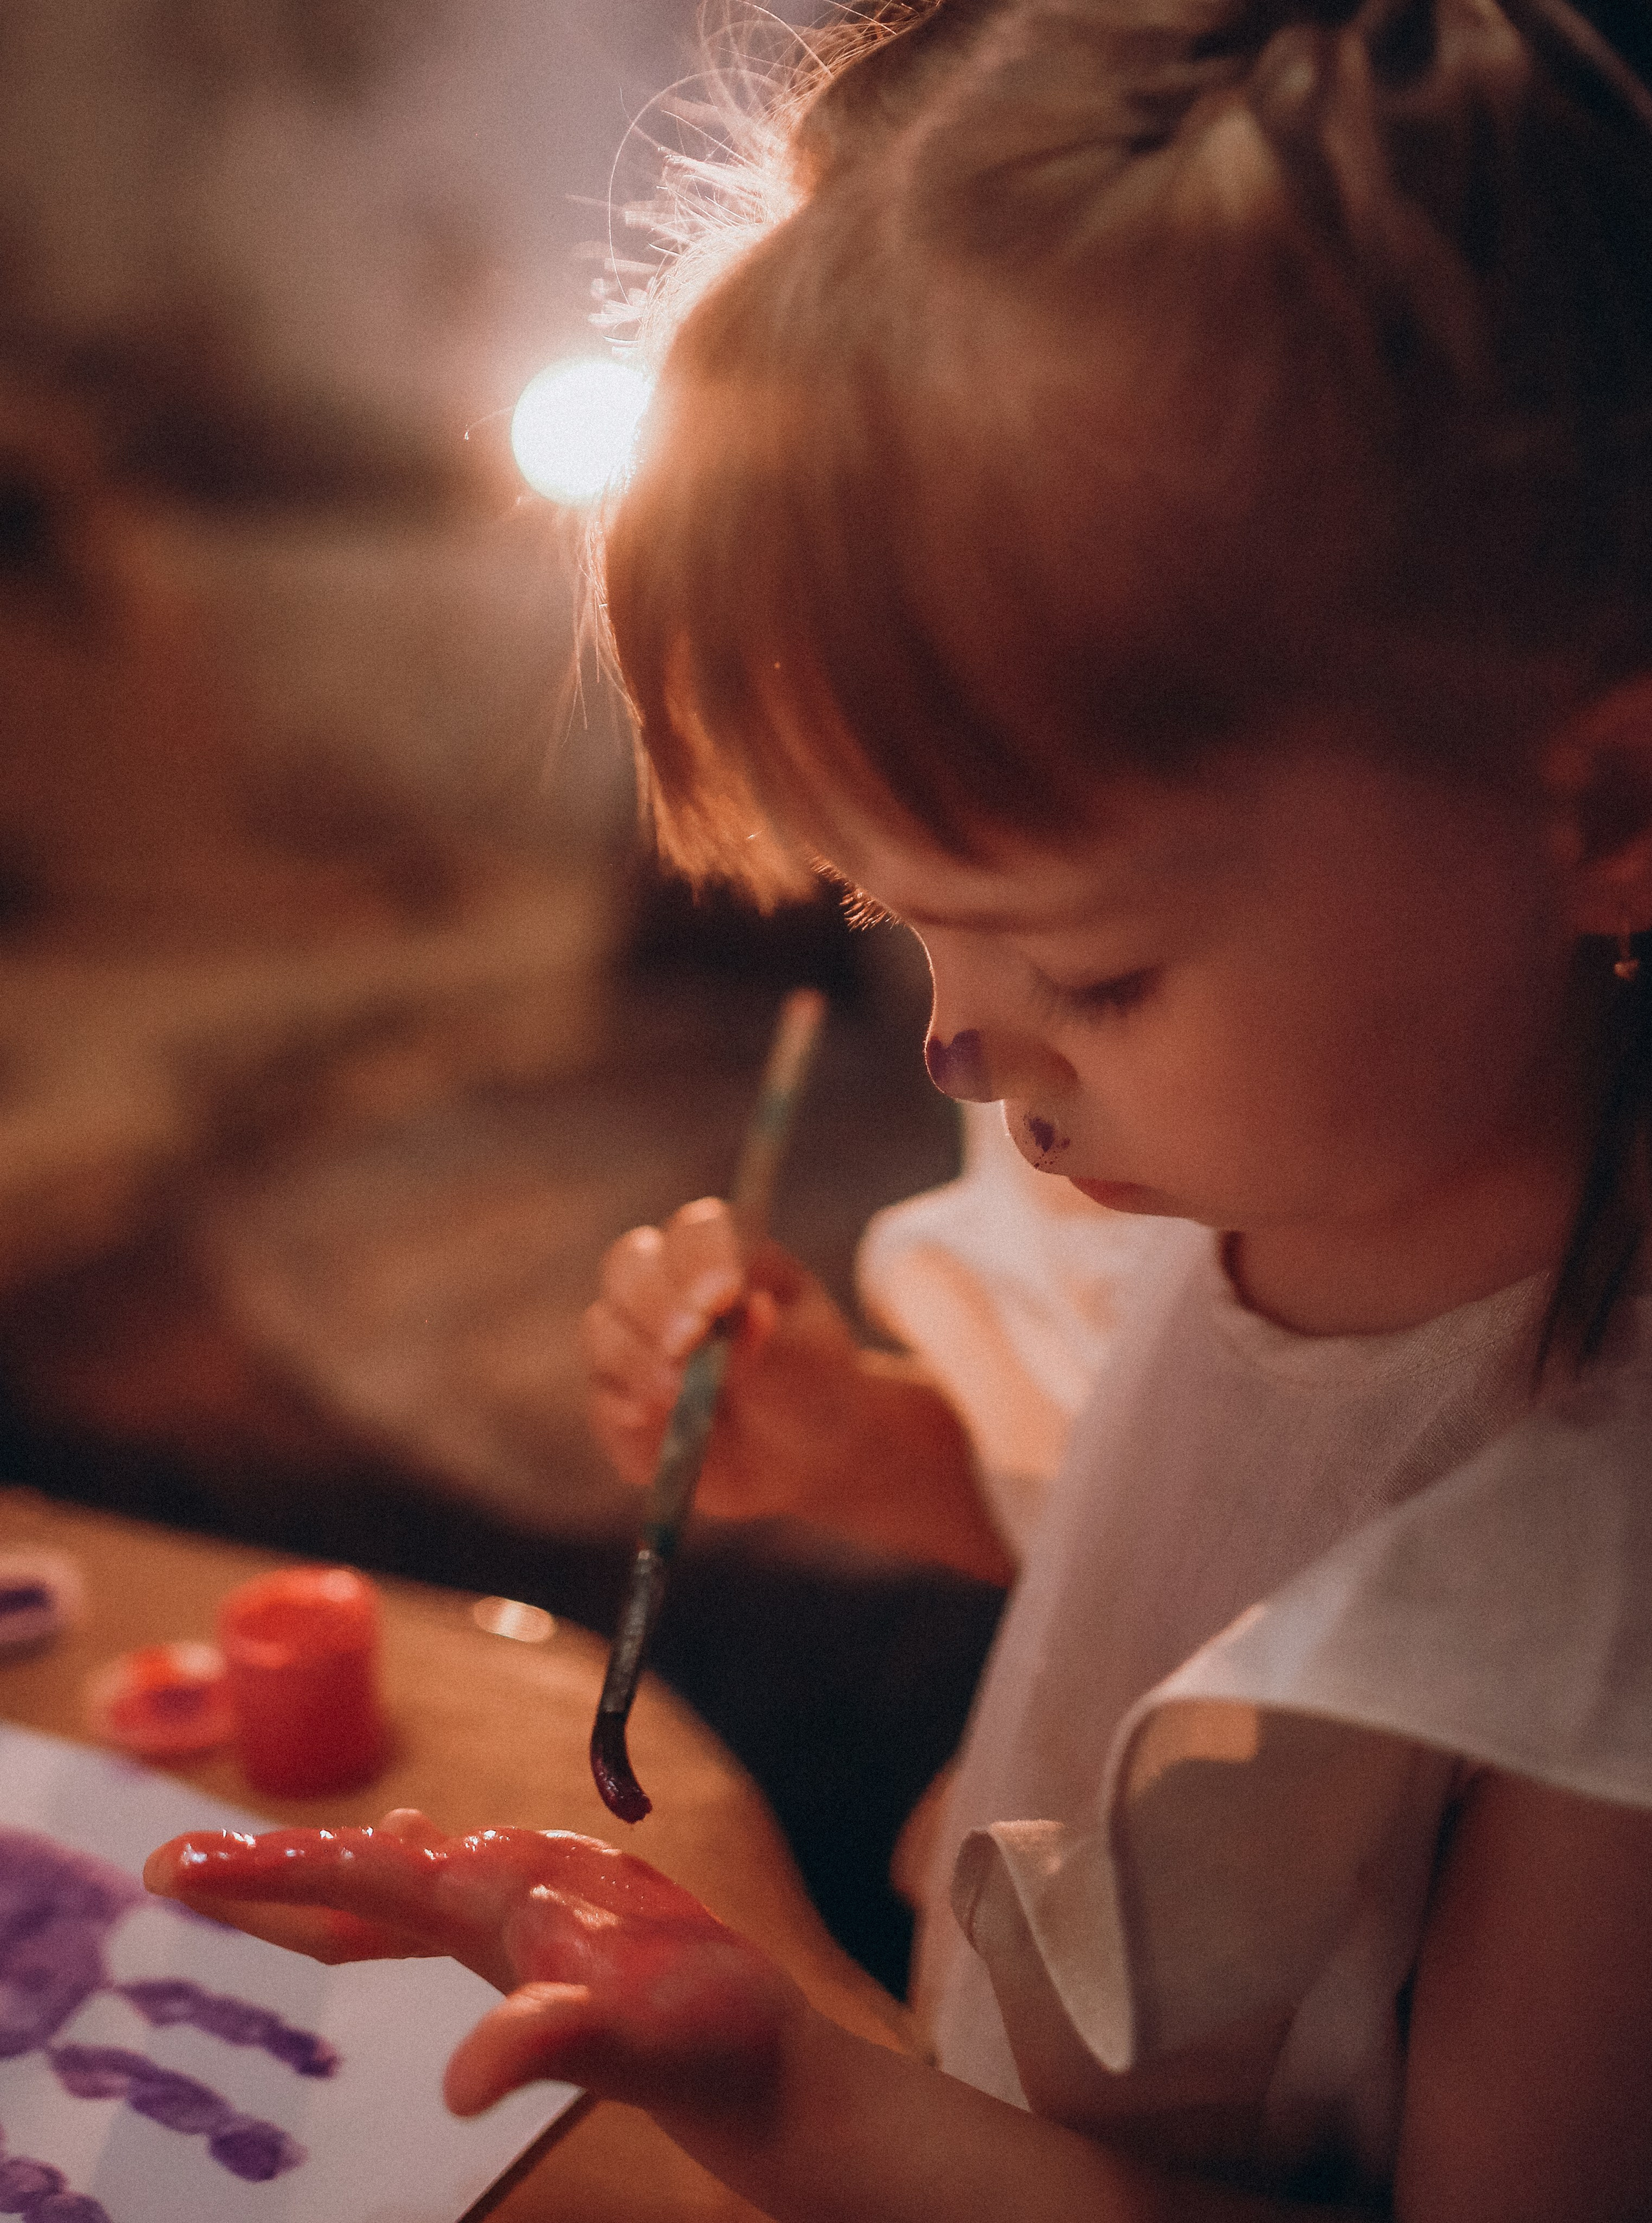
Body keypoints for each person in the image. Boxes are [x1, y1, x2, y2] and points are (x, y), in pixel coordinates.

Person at [144, 0, 1652, 2211]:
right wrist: (875, 1457)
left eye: (1090, 967)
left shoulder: (1595, 1632)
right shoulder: (1233, 1170)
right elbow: (1182, 1597)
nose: (956, 1046)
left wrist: (802, 2094)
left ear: (1604, 804)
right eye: (893, 917)